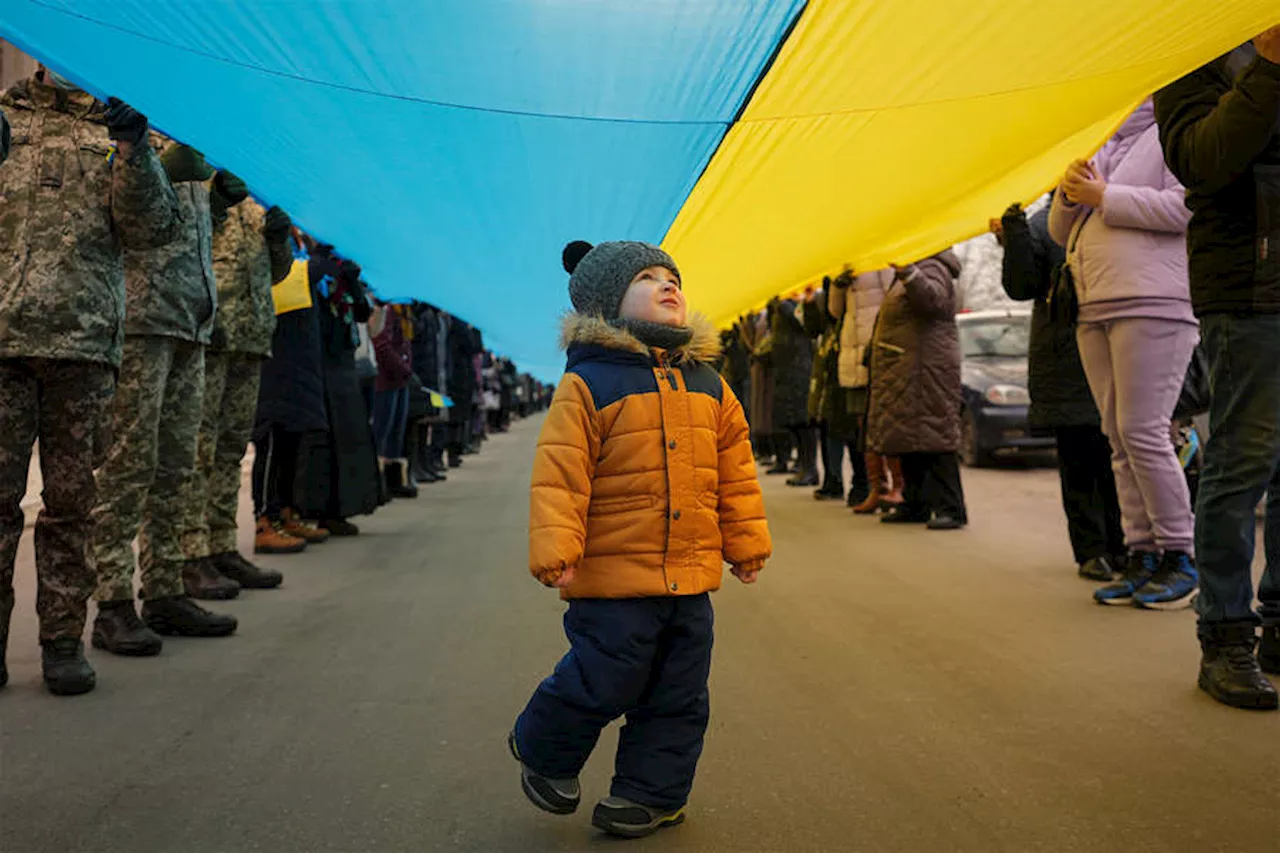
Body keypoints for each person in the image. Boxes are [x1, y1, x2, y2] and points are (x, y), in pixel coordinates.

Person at [511, 240, 771, 839]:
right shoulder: (591, 382)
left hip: (690, 574)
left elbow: (735, 470)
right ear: (607, 303)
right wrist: (557, 550)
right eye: (648, 278)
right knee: (606, 674)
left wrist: (746, 544)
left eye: (672, 276)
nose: (667, 284)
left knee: (678, 693)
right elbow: (561, 470)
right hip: (613, 577)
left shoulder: (709, 382)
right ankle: (544, 746)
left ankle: (651, 795)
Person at [0, 71, 179, 694]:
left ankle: (62, 643)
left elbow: (154, 228)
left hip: (84, 347)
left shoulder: (112, 125)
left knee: (72, 509)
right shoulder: (6, 119)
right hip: (3, 344)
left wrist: (135, 150)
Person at [1155, 28, 1280, 709]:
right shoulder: (1186, 55)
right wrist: (1268, 66)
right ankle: (1226, 635)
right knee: (1243, 460)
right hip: (1247, 285)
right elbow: (1204, 160)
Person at [91, 141, 242, 657]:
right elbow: (119, 215)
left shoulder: (191, 133)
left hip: (188, 320)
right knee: (128, 465)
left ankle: (164, 588)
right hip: (141, 317)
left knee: (176, 465)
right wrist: (150, 163)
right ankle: (111, 601)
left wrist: (217, 199)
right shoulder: (130, 134)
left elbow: (189, 225)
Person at [1049, 99, 1198, 610]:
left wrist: (1104, 194)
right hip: (1094, 302)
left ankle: (1180, 555)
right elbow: (1058, 232)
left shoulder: (1174, 132)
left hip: (1154, 301)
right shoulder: (1099, 141)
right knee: (1116, 436)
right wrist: (1071, 197)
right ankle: (1142, 555)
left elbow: (1186, 209)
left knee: (1143, 431)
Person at [995, 201, 1124, 581]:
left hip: (1117, 349)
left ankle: (1124, 545)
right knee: (1081, 458)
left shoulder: (1114, 206)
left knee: (1120, 459)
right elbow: (1020, 286)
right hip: (1067, 364)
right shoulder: (1042, 223)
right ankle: (1092, 550)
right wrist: (1014, 233)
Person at [178, 196, 295, 573]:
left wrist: (279, 241)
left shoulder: (257, 202)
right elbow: (183, 241)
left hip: (252, 337)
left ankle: (222, 545)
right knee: (200, 447)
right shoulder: (202, 186)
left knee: (231, 449)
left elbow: (276, 274)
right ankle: (192, 552)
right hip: (214, 333)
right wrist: (213, 204)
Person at [867, 251, 968, 530]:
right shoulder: (918, 267)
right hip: (908, 367)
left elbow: (934, 302)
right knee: (910, 436)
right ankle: (916, 503)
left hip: (927, 368)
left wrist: (909, 273)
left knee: (935, 434)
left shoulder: (934, 267)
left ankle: (951, 507)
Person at [253, 233, 332, 551]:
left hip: (299, 363)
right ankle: (264, 520)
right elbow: (285, 284)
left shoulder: (300, 243)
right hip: (278, 363)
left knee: (291, 445)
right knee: (272, 444)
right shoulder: (275, 236)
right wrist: (320, 260)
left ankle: (285, 513)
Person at [310, 250, 381, 532]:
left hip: (346, 366)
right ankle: (324, 511)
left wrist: (352, 282)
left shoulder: (344, 277)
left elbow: (363, 313)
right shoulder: (315, 270)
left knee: (350, 442)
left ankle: (343, 509)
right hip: (324, 368)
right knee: (328, 445)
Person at [827, 267, 898, 511]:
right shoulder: (847, 264)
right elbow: (835, 311)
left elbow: (893, 298)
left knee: (884, 425)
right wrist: (837, 285)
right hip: (852, 355)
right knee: (862, 427)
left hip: (877, 350)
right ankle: (876, 487)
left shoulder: (880, 261)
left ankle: (895, 487)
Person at [372, 301, 418, 498]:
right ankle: (377, 483)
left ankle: (393, 481)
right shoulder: (388, 311)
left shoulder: (403, 313)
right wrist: (403, 369)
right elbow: (381, 345)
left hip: (399, 380)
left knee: (395, 433)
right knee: (382, 432)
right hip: (385, 380)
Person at [770, 298, 817, 486]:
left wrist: (784, 304)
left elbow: (803, 323)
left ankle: (810, 468)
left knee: (803, 421)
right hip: (787, 368)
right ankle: (804, 466)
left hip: (799, 367)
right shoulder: (780, 305)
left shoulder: (794, 302)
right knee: (793, 422)